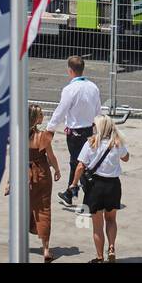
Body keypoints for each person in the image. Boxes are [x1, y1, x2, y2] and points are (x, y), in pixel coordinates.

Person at [71, 114, 130, 263]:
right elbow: (126, 157)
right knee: (111, 219)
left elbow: (80, 166)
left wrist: (74, 183)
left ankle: (99, 257)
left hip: (95, 186)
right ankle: (111, 247)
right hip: (113, 185)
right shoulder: (117, 143)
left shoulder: (91, 142)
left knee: (97, 225)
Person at [7, 103, 62, 262]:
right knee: (43, 209)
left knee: (22, 208)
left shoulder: (18, 135)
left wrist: (10, 180)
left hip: (23, 175)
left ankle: (17, 241)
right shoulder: (43, 136)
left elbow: (15, 158)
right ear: (36, 119)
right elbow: (51, 157)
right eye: (40, 115)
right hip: (42, 175)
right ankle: (45, 249)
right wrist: (57, 170)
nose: (43, 116)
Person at [49, 55, 102, 208]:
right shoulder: (93, 87)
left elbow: (61, 110)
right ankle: (71, 192)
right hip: (89, 130)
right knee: (82, 162)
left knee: (79, 163)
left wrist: (50, 128)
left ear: (70, 71)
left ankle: (83, 192)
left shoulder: (69, 89)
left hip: (75, 133)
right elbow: (98, 109)